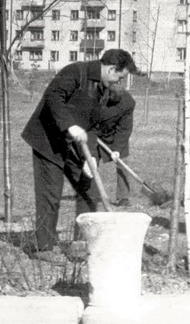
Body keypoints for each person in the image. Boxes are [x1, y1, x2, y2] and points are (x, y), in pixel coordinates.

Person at [21, 49, 135, 260]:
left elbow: (93, 126)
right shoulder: (75, 72)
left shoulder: (103, 90)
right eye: (120, 77)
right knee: (50, 194)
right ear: (111, 69)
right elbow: (53, 98)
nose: (120, 82)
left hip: (74, 144)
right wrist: (70, 126)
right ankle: (43, 248)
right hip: (47, 140)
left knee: (89, 187)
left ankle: (81, 243)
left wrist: (91, 156)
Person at [93, 81, 137, 207]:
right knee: (91, 162)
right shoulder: (95, 94)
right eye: (111, 97)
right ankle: (88, 193)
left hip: (114, 134)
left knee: (122, 163)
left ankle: (123, 197)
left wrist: (117, 149)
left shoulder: (128, 102)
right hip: (94, 131)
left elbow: (124, 129)